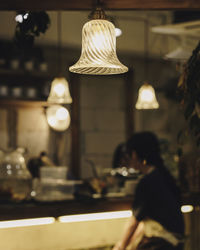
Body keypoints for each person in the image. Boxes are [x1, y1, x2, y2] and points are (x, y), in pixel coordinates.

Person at [113, 131, 185, 250]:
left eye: (129, 154)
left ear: (135, 154)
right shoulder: (165, 176)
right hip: (176, 243)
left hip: (162, 244)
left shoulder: (147, 182)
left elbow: (134, 223)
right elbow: (144, 223)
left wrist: (120, 246)